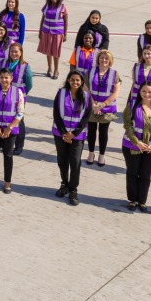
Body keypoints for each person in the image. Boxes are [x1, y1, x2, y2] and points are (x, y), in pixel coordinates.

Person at [122, 83, 151, 212]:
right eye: (144, 91)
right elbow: (127, 125)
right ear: (139, 92)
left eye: (150, 92)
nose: (147, 94)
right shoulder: (132, 105)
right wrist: (137, 142)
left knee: (145, 175)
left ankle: (142, 201)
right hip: (132, 147)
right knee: (132, 173)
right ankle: (132, 200)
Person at [52, 71, 90, 205]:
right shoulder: (61, 93)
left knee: (75, 161)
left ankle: (73, 189)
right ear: (68, 80)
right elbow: (56, 113)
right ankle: (64, 184)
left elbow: (86, 117)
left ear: (82, 82)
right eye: (73, 80)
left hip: (77, 135)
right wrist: (64, 133)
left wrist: (74, 133)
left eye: (78, 80)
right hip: (60, 133)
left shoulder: (86, 96)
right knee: (62, 160)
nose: (75, 82)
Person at [86, 49, 121, 167]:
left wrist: (102, 105)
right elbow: (86, 89)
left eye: (106, 58)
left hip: (107, 109)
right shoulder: (90, 71)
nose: (104, 60)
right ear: (98, 59)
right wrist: (94, 105)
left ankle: (101, 155)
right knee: (91, 131)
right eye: (102, 58)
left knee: (103, 132)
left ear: (110, 61)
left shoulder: (115, 74)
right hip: (92, 107)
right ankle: (91, 153)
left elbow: (115, 93)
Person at [5, 42, 35, 154]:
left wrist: (22, 94)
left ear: (21, 53)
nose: (14, 53)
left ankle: (19, 145)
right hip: (6, 96)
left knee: (19, 120)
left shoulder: (25, 66)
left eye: (16, 51)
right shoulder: (5, 63)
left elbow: (29, 82)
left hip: (19, 97)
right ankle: (8, 143)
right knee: (7, 118)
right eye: (12, 51)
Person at [37, 0, 68, 79]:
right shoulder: (46, 6)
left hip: (57, 33)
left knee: (56, 52)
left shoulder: (63, 7)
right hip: (46, 32)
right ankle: (49, 69)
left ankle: (56, 70)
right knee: (48, 51)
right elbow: (42, 19)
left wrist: (65, 34)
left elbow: (66, 21)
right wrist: (40, 32)